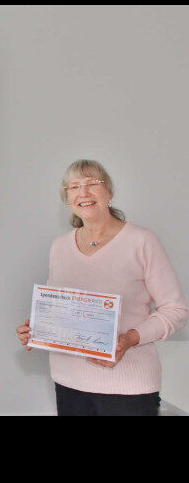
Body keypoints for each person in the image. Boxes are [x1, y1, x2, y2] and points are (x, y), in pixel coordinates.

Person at [16, 159, 188, 416]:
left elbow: (175, 310)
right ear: (67, 198)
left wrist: (129, 339)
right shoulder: (60, 247)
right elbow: (62, 310)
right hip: (68, 383)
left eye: (92, 184)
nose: (83, 193)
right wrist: (39, 329)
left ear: (109, 192)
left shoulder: (142, 241)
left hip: (129, 388)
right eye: (74, 187)